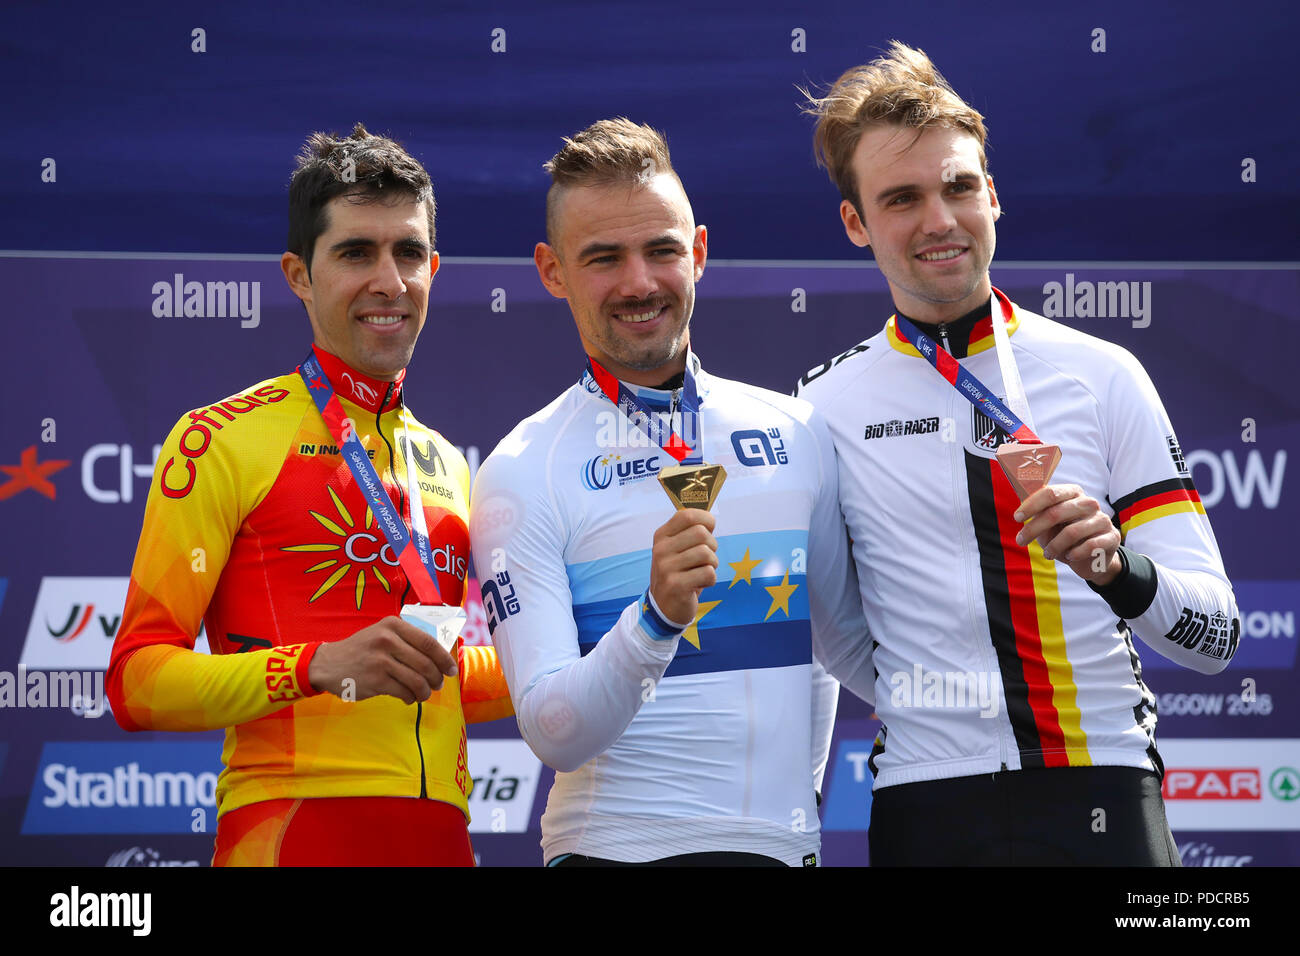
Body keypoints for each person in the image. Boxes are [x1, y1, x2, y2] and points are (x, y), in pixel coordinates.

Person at [795, 42, 1240, 865]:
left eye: (959, 187)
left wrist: (1119, 571)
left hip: (1101, 786)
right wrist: (939, 709)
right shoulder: (821, 409)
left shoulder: (1103, 375)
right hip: (924, 803)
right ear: (857, 224)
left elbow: (1216, 637)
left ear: (992, 195)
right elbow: (841, 638)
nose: (939, 220)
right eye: (902, 199)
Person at [468, 118, 873, 866]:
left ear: (700, 253)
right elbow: (553, 731)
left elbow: (840, 652)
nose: (639, 282)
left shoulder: (797, 429)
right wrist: (653, 619)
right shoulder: (523, 467)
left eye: (661, 250)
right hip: (615, 851)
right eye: (603, 258)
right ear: (552, 271)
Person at [107, 123, 512, 866]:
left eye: (409, 253)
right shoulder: (218, 438)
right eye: (357, 252)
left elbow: (447, 681)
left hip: (444, 840)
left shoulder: (449, 463)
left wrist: (593, 653)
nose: (388, 280)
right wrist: (312, 665)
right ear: (299, 273)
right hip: (291, 834)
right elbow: (136, 683)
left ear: (435, 269)